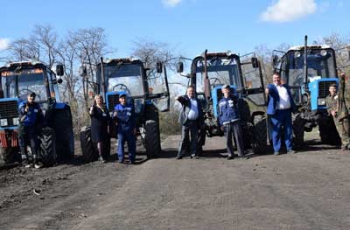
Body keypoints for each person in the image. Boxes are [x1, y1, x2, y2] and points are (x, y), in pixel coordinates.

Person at [265, 72, 296, 155]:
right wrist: (267, 91)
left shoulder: (285, 87)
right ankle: (276, 149)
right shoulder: (272, 86)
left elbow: (290, 97)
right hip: (277, 113)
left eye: (277, 78)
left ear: (280, 78)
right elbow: (268, 89)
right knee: (276, 131)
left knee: (288, 130)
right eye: (275, 78)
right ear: (272, 79)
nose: (276, 79)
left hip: (287, 111)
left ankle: (289, 148)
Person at [176, 85, 203, 159]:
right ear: (187, 92)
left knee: (194, 138)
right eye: (190, 91)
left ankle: (193, 153)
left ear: (194, 92)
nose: (191, 92)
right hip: (186, 122)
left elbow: (200, 111)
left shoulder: (197, 100)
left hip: (195, 122)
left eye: (192, 91)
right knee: (184, 138)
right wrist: (178, 98)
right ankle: (180, 154)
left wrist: (201, 122)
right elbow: (182, 100)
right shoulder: (186, 99)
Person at [218, 85, 245, 160]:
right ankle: (230, 154)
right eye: (225, 89)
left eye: (227, 89)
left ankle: (241, 154)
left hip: (235, 121)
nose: (226, 90)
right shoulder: (220, 102)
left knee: (238, 138)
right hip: (226, 123)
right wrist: (220, 124)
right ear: (222, 91)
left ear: (229, 90)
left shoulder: (235, 98)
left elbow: (239, 104)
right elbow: (220, 114)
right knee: (228, 140)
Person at [18, 92, 43, 168]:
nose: (31, 99)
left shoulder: (36, 105)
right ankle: (25, 162)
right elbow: (22, 111)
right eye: (30, 98)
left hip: (32, 127)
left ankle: (35, 162)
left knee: (34, 144)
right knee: (23, 144)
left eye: (33, 98)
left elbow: (40, 115)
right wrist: (25, 111)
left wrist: (42, 123)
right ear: (27, 97)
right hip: (23, 127)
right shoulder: (23, 104)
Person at [325, 82, 350, 151]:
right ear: (329, 90)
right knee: (340, 131)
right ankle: (345, 145)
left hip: (343, 114)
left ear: (336, 89)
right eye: (331, 88)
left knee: (347, 129)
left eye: (334, 88)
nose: (332, 90)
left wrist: (336, 109)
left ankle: (347, 143)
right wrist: (331, 111)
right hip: (336, 117)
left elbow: (343, 103)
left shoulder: (340, 96)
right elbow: (328, 107)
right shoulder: (327, 98)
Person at [113, 93, 136, 164]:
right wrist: (114, 116)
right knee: (120, 143)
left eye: (124, 98)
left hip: (129, 128)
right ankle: (121, 158)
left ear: (126, 99)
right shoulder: (117, 107)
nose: (123, 99)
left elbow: (133, 118)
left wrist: (135, 127)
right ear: (119, 99)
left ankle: (132, 159)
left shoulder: (131, 107)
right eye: (122, 98)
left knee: (131, 143)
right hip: (121, 128)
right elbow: (114, 118)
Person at [89, 94, 110, 163]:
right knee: (99, 141)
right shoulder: (94, 107)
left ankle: (104, 154)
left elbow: (108, 117)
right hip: (96, 127)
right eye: (97, 98)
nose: (99, 99)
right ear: (95, 100)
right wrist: (91, 110)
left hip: (104, 127)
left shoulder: (105, 108)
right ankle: (100, 155)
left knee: (104, 141)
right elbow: (91, 114)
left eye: (100, 98)